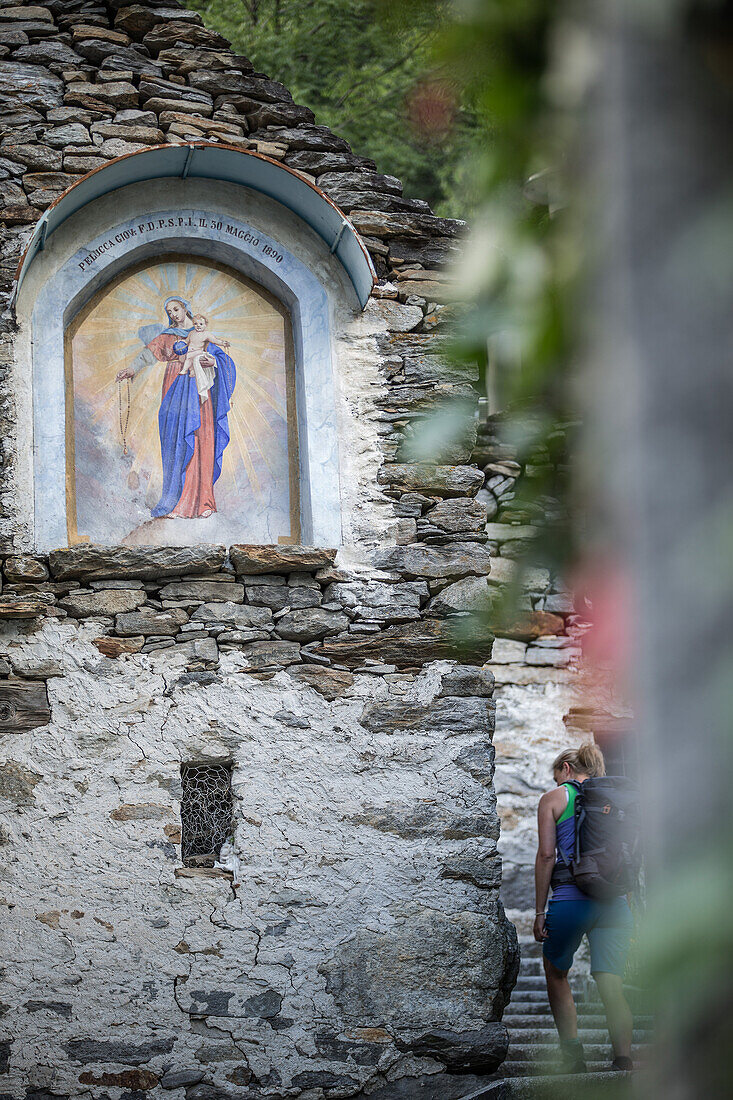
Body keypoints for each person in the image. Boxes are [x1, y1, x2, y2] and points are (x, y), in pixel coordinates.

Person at [534, 743, 635, 1074]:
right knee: (612, 984)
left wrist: (538, 912)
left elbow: (547, 856)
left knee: (556, 973)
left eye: (555, 776)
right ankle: (623, 1059)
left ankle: (573, 1057)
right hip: (615, 904)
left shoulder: (554, 798)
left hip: (570, 901)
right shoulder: (616, 800)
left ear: (565, 768)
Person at [116, 297, 236, 520]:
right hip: (174, 384)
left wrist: (214, 362)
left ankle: (204, 502)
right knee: (176, 439)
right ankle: (176, 502)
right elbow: (147, 355)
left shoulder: (200, 332)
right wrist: (131, 370)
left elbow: (221, 356)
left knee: (202, 436)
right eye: (169, 311)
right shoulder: (166, 336)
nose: (173, 314)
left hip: (199, 385)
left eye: (176, 309)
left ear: (185, 309)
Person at [178, 314, 231, 404]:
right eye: (196, 324)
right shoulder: (191, 333)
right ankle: (188, 370)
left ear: (205, 325)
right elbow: (187, 341)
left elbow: (215, 341)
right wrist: (181, 343)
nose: (198, 326)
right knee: (188, 358)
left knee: (191, 358)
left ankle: (189, 370)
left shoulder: (206, 334)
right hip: (190, 352)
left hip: (199, 352)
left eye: (201, 324)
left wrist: (223, 343)